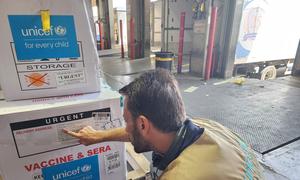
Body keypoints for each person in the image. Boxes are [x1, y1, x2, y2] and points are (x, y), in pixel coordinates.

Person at [64, 69, 263, 180]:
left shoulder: (181, 176)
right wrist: (98, 136)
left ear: (143, 124)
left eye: (126, 121)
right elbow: (136, 133)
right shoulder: (205, 128)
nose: (126, 128)